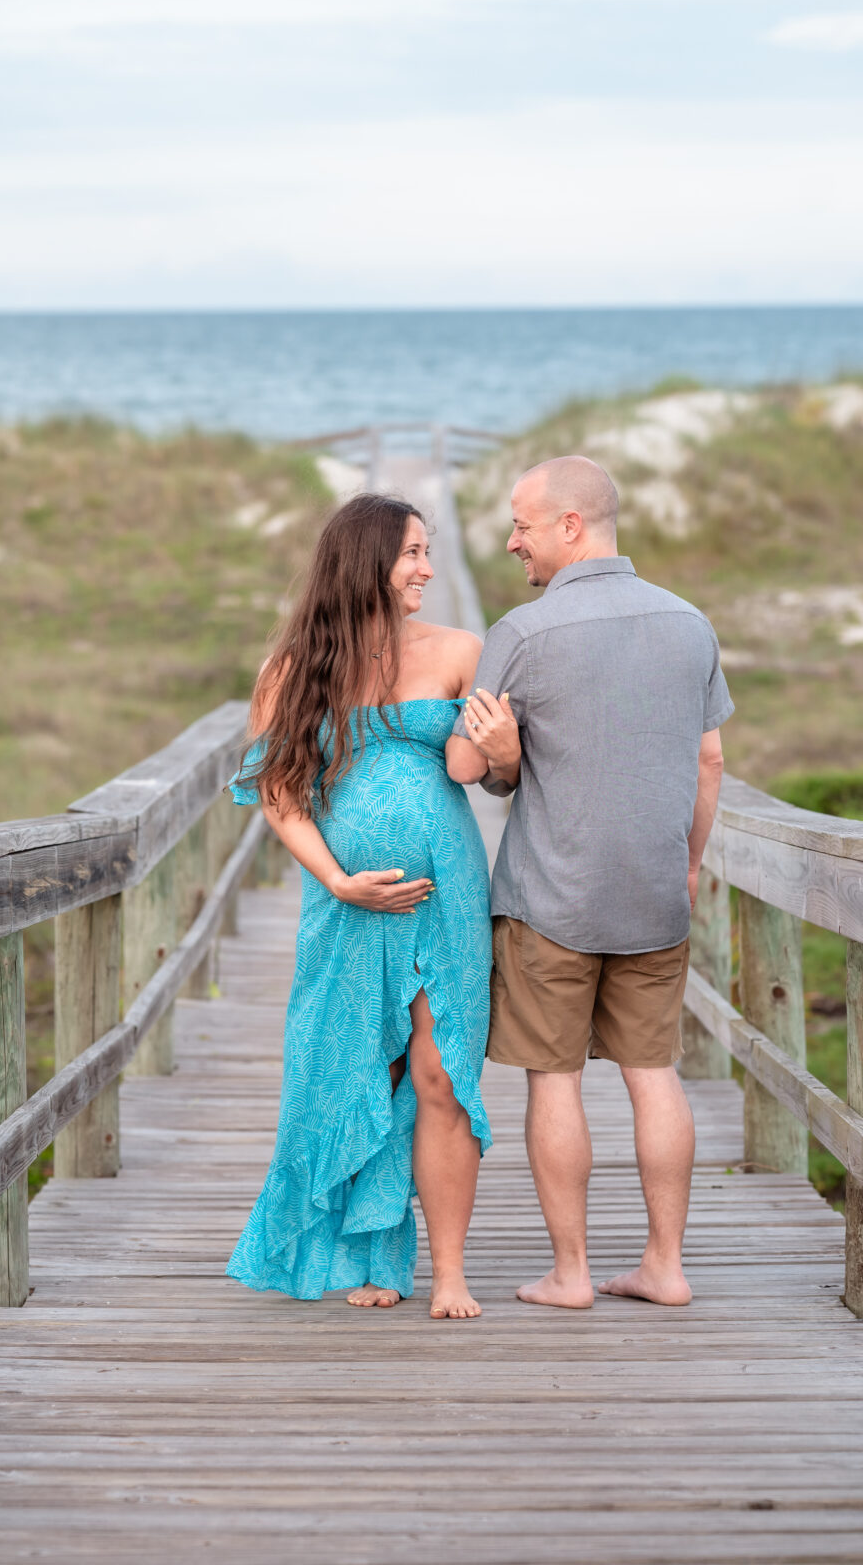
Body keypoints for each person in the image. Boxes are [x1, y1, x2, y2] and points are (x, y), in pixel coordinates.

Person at [447, 455, 732, 1309]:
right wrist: (685, 863)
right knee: (653, 1073)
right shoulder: (690, 623)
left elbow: (467, 759)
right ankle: (665, 1266)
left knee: (554, 1079)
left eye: (522, 526)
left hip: (550, 901)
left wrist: (503, 761)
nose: (511, 543)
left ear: (570, 526)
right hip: (654, 895)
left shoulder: (524, 633)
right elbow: (708, 759)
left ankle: (570, 1274)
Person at [227, 492, 504, 1319]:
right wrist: (336, 879)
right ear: (365, 563)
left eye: (427, 552)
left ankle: (449, 1271)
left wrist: (498, 749)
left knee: (438, 1073)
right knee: (359, 1067)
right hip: (346, 903)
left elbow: (470, 771)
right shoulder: (291, 670)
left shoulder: (461, 649)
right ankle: (380, 1257)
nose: (426, 568)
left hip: (443, 895)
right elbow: (279, 793)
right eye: (412, 553)